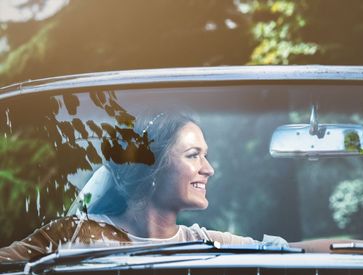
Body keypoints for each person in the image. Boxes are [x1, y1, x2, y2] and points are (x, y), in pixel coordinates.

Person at [0, 112, 282, 262]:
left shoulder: (208, 244)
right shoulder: (73, 234)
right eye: (194, 155)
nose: (209, 169)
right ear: (153, 167)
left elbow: (292, 252)